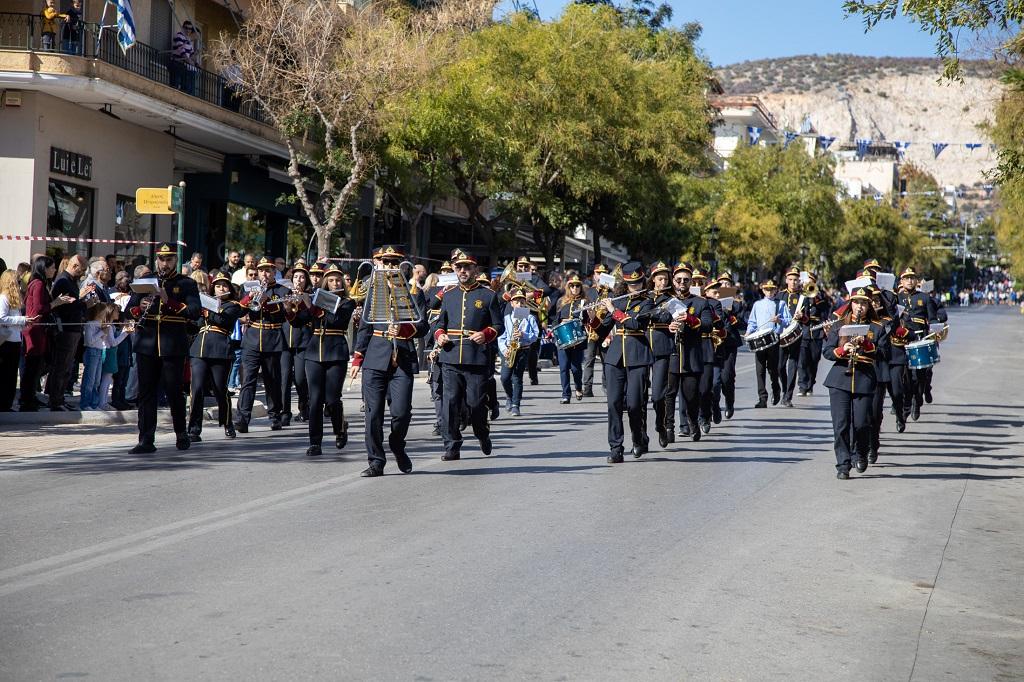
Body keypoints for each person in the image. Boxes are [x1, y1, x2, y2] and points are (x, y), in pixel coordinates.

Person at [350, 246, 429, 475]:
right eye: (386, 262)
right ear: (378, 263)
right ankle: (376, 461)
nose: (390, 266)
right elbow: (365, 327)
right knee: (373, 413)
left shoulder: (414, 292)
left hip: (402, 356)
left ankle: (397, 444)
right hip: (375, 355)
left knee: (402, 412)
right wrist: (357, 358)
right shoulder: (373, 291)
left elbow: (422, 326)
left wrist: (404, 329)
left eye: (394, 262)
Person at [125, 243, 201, 453]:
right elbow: (128, 310)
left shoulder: (186, 284)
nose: (165, 263)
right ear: (156, 259)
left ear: (175, 260)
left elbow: (195, 311)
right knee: (146, 393)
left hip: (172, 346)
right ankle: (146, 439)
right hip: (147, 345)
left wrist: (170, 302)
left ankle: (181, 433)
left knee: (174, 392)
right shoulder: (145, 281)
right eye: (161, 259)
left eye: (169, 259)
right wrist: (137, 308)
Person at [432, 249, 503, 461]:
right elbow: (439, 323)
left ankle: (482, 432)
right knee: (450, 404)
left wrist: (486, 334)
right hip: (450, 357)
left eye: (467, 267)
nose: (463, 270)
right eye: (459, 267)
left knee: (475, 404)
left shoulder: (488, 295)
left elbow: (498, 325)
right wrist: (440, 335)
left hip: (476, 359)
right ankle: (452, 445)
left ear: (475, 269)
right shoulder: (449, 294)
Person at [590, 262, 653, 462]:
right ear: (625, 284)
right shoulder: (618, 301)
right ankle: (616, 448)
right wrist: (590, 317)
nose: (635, 287)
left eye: (638, 283)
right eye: (631, 284)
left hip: (637, 356)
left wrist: (613, 310)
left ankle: (638, 437)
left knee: (634, 405)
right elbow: (602, 330)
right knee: (613, 404)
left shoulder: (647, 302)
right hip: (615, 356)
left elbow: (635, 324)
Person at [823, 286, 887, 479]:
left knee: (861, 424)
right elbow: (827, 351)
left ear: (869, 305)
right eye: (856, 302)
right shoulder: (839, 324)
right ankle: (843, 465)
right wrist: (842, 351)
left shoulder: (877, 328)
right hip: (839, 380)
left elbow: (884, 354)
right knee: (841, 425)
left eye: (864, 303)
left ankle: (860, 452)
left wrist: (867, 345)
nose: (860, 307)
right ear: (851, 303)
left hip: (864, 380)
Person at [235, 257, 292, 433]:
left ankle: (274, 416)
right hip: (252, 338)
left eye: (268, 270)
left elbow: (283, 314)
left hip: (273, 338)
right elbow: (239, 310)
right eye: (262, 270)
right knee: (248, 381)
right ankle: (243, 418)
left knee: (272, 380)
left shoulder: (282, 290)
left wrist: (266, 301)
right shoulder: (249, 287)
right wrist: (248, 299)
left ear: (274, 272)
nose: (265, 274)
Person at [305, 264, 357, 458]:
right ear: (326, 283)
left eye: (338, 280)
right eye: (331, 280)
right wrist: (292, 307)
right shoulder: (315, 299)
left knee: (332, 399)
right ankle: (315, 442)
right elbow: (298, 320)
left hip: (336, 351)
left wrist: (314, 306)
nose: (335, 283)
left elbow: (335, 321)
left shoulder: (347, 302)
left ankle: (340, 428)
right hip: (313, 352)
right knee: (315, 400)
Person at [188, 271, 246, 441]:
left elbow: (222, 320)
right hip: (199, 349)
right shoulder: (205, 305)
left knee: (220, 390)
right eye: (218, 285)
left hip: (220, 349)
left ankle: (227, 422)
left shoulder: (232, 305)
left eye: (224, 285)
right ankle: (194, 428)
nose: (221, 288)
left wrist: (208, 310)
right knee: (196, 389)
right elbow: (196, 325)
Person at [663, 262, 714, 442]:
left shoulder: (700, 302)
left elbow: (708, 325)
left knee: (691, 395)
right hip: (671, 354)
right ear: (674, 281)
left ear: (691, 281)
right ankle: (669, 427)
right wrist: (668, 326)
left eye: (686, 279)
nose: (682, 283)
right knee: (669, 393)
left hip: (691, 355)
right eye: (678, 279)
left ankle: (693, 421)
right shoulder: (665, 301)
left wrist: (692, 319)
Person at [47, 253, 88, 411]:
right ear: (75, 266)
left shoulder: (71, 281)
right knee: (61, 366)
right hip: (66, 329)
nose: (83, 273)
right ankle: (55, 400)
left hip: (74, 328)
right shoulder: (63, 281)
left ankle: (60, 398)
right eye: (82, 269)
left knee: (67, 367)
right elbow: (65, 306)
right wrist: (85, 305)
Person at [896, 267, 937, 422]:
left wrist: (935, 331)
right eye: (906, 278)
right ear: (901, 281)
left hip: (919, 340)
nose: (910, 281)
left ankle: (916, 401)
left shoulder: (924, 298)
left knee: (919, 376)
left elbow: (932, 319)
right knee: (903, 376)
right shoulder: (896, 298)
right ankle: (906, 403)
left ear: (916, 281)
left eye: (912, 278)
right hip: (901, 341)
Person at [746, 279, 790, 409]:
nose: (769, 292)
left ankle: (776, 389)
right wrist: (749, 332)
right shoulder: (757, 304)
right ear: (763, 290)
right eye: (767, 289)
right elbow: (752, 322)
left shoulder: (780, 303)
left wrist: (779, 320)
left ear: (776, 290)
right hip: (759, 340)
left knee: (773, 369)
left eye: (772, 289)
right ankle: (762, 398)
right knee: (759, 370)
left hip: (773, 339)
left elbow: (788, 321)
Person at [645, 262, 676, 447]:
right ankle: (640, 433)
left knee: (657, 395)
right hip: (642, 346)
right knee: (639, 395)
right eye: (660, 278)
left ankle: (661, 425)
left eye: (665, 278)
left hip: (662, 347)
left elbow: (668, 317)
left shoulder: (672, 299)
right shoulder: (644, 296)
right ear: (653, 280)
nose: (663, 282)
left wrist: (651, 313)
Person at [79, 303, 131, 411]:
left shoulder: (104, 325)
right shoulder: (90, 324)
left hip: (99, 352)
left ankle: (94, 403)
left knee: (97, 380)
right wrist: (103, 332)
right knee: (90, 379)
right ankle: (86, 403)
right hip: (93, 352)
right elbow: (90, 342)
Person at [20, 256, 54, 412]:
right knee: (32, 367)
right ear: (44, 268)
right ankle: (27, 400)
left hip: (37, 330)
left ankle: (30, 397)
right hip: (35, 331)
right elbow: (39, 308)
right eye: (51, 267)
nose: (53, 270)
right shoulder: (38, 284)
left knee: (34, 367)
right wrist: (56, 303)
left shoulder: (36, 283)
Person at [497, 288, 539, 417]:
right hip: (509, 350)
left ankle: (516, 405)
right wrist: (505, 350)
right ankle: (509, 397)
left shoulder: (530, 317)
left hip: (523, 350)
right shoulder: (507, 318)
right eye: (517, 301)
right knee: (504, 377)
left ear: (525, 303)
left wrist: (523, 334)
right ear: (512, 304)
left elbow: (535, 335)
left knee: (517, 378)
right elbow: (501, 337)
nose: (520, 304)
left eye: (522, 301)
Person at [0, 270, 37, 411]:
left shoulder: (14, 299)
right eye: (16, 281)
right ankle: (3, 403)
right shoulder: (3, 298)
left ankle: (7, 403)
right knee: (5, 374)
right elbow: (1, 318)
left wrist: (24, 322)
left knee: (11, 375)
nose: (19, 283)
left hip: (15, 340)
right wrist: (22, 319)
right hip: (6, 341)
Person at [550, 273, 589, 404]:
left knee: (576, 368)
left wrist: (578, 320)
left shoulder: (584, 302)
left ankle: (578, 387)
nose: (575, 288)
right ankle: (566, 394)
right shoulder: (561, 301)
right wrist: (560, 324)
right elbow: (555, 320)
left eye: (577, 286)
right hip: (562, 338)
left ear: (580, 287)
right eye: (572, 286)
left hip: (578, 339)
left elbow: (588, 321)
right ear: (568, 287)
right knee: (563, 368)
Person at [281, 261, 312, 425]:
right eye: (296, 277)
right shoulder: (285, 293)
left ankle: (303, 407)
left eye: (302, 277)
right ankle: (285, 413)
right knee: (284, 379)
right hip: (285, 341)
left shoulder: (309, 296)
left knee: (300, 378)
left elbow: (311, 317)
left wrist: (305, 302)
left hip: (303, 341)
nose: (298, 280)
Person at [775, 266, 809, 407]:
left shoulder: (803, 298)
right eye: (790, 279)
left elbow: (808, 319)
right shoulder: (780, 296)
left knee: (793, 365)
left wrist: (802, 317)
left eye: (796, 280)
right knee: (779, 366)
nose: (793, 282)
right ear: (786, 280)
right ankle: (784, 389)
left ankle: (788, 396)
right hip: (781, 335)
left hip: (796, 335)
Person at [712, 272, 744, 420]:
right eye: (721, 284)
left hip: (729, 343)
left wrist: (732, 316)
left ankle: (729, 402)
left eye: (727, 284)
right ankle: (714, 406)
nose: (724, 286)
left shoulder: (737, 304)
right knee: (714, 379)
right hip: (713, 344)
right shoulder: (710, 302)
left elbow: (743, 323)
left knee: (727, 377)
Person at [581, 263, 610, 397]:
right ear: (594, 275)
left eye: (603, 273)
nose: (600, 276)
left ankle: (607, 387)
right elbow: (583, 311)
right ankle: (587, 388)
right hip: (591, 329)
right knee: (589, 360)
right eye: (598, 273)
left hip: (606, 330)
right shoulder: (589, 291)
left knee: (607, 360)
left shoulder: (611, 291)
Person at [170, 21, 198, 94]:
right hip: (176, 63)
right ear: (183, 27)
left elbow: (191, 54)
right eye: (186, 28)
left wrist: (195, 57)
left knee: (184, 87)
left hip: (183, 65)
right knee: (175, 86)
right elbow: (181, 50)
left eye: (190, 29)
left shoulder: (188, 40)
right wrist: (189, 60)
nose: (188, 30)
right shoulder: (179, 35)